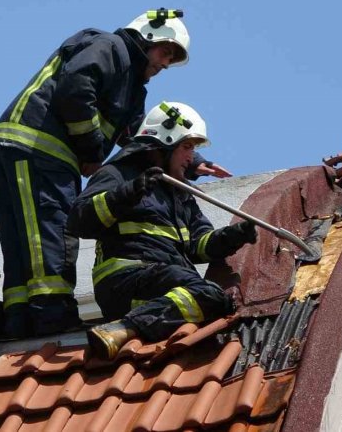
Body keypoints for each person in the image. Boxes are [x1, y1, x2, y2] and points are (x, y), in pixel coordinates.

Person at [0, 9, 193, 337]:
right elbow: (77, 89)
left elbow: (142, 140)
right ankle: (52, 315)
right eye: (166, 52)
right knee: (51, 231)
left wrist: (189, 163)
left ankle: (19, 320)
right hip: (41, 149)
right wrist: (93, 150)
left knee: (23, 242)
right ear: (148, 37)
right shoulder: (110, 47)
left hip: (23, 148)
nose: (165, 64)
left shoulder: (132, 85)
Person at [66, 101, 258, 358]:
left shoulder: (180, 192)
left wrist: (233, 236)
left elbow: (198, 246)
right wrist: (126, 194)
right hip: (123, 281)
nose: (192, 157)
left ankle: (127, 329)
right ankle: (123, 328)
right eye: (187, 147)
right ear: (165, 144)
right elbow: (79, 220)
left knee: (216, 298)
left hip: (162, 278)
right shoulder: (117, 174)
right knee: (210, 295)